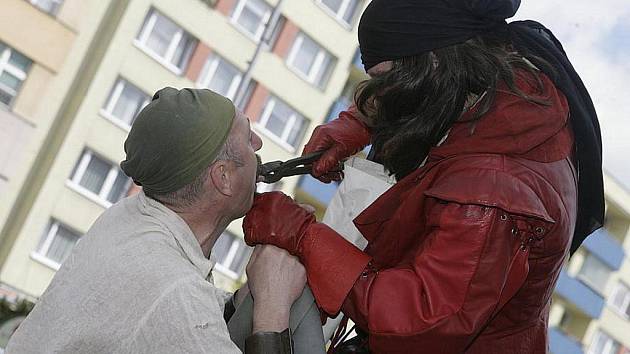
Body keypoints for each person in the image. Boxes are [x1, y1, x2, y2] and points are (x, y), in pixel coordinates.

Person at [242, 0, 604, 353]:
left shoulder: (490, 197)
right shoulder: (503, 74)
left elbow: (421, 322)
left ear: (431, 62)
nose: (381, 93)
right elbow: (430, 90)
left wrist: (304, 237)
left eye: (385, 80)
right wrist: (360, 123)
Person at [6, 88, 312, 353]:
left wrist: (246, 297)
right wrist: (273, 308)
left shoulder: (129, 216)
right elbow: (175, 310)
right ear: (224, 178)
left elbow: (170, 318)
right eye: (248, 137)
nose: (258, 143)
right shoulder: (176, 297)